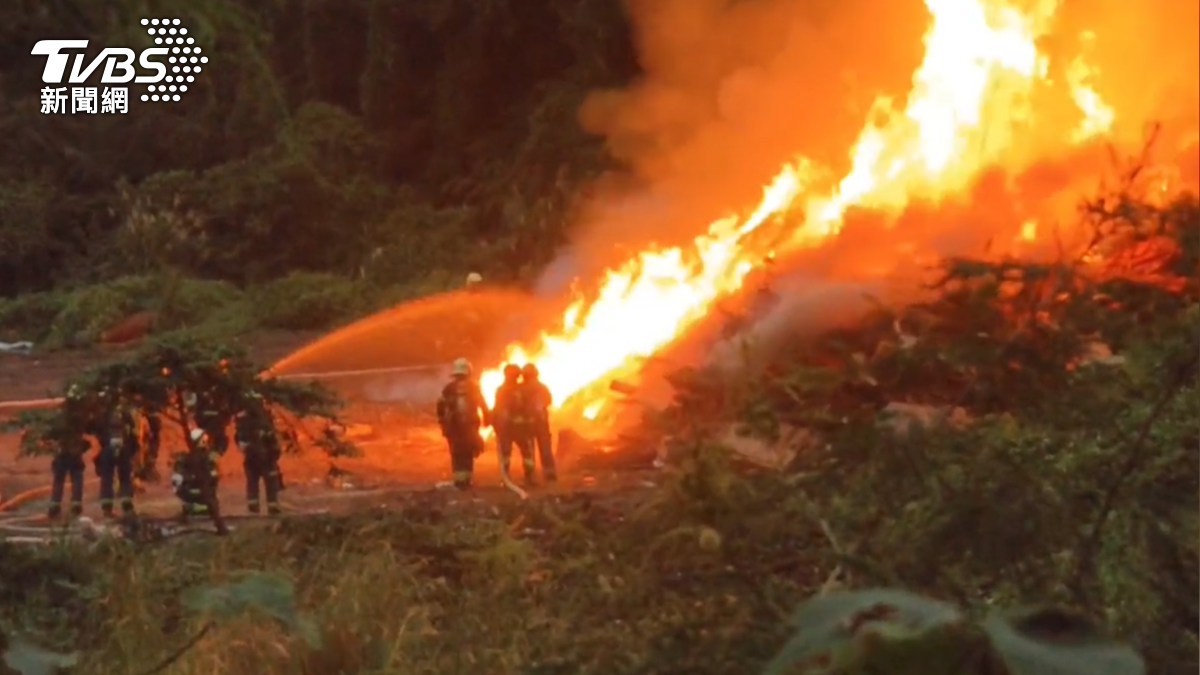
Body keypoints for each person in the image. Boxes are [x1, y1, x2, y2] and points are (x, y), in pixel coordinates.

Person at [435, 358, 491, 489]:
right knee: (468, 452)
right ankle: (467, 480)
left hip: (454, 427)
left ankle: (459, 481)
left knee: (457, 453)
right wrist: (487, 419)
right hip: (471, 426)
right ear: (468, 372)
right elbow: (482, 404)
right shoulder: (473, 387)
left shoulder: (449, 388)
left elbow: (440, 405)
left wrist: (442, 421)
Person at [45, 385, 91, 518]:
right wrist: (83, 447)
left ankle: (54, 507)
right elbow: (89, 429)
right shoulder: (82, 416)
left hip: (62, 452)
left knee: (59, 479)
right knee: (77, 478)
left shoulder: (61, 416)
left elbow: (52, 433)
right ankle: (76, 506)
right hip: (75, 452)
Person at [234, 392, 283, 515]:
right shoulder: (264, 417)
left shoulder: (243, 418)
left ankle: (253, 505)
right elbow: (271, 436)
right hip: (265, 455)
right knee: (270, 480)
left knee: (252, 480)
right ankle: (272, 505)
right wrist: (275, 452)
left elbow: (238, 437)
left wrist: (243, 446)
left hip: (251, 455)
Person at [94, 389, 138, 517]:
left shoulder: (102, 413)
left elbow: (97, 430)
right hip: (124, 447)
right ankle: (127, 507)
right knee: (124, 477)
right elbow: (132, 429)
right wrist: (132, 447)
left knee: (107, 477)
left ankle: (107, 508)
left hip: (108, 448)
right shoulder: (124, 412)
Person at [492, 363, 537, 486]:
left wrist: (496, 423)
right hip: (520, 427)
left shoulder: (501, 390)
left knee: (506, 454)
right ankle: (529, 478)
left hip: (507, 428)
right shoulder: (522, 390)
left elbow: (497, 409)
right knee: (526, 453)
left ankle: (506, 479)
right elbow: (528, 408)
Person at [520, 363, 557, 483]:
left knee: (529, 450)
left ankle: (530, 474)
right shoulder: (542, 387)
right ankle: (549, 473)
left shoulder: (521, 388)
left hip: (527, 423)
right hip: (541, 422)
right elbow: (549, 400)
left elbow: (517, 404)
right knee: (545, 448)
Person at [172, 428, 221, 518]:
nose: (206, 443)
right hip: (194, 489)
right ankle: (197, 505)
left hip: (199, 490)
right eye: (204, 440)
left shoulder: (204, 457)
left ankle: (198, 506)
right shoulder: (196, 458)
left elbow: (214, 476)